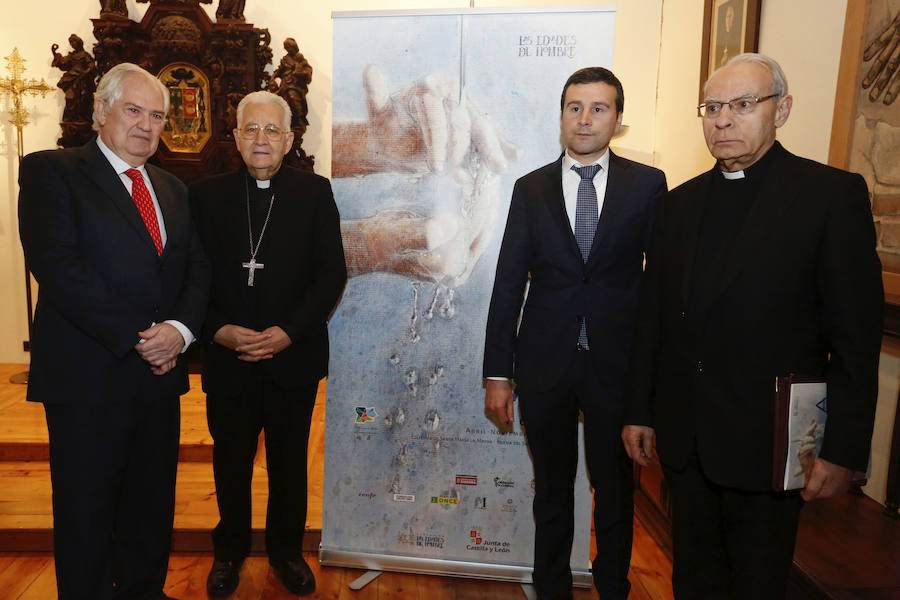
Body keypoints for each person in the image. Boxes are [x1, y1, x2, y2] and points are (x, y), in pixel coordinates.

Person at [622, 53, 883, 599]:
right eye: (713, 107)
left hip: (768, 446)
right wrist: (640, 412)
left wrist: (842, 451)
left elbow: (856, 340)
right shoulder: (677, 205)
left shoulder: (829, 197)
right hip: (687, 441)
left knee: (757, 586)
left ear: (780, 110)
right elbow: (654, 320)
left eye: (743, 105)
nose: (723, 120)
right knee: (692, 579)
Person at [17, 62, 210, 600]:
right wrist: (140, 337)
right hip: (88, 377)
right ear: (101, 111)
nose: (147, 125)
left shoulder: (173, 188)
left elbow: (196, 269)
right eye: (134, 110)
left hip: (158, 376)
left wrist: (179, 330)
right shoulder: (52, 171)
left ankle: (145, 591)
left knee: (150, 504)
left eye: (157, 115)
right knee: (85, 509)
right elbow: (57, 265)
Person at [483, 67, 667, 600]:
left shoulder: (647, 185)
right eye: (575, 107)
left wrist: (653, 378)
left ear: (618, 119)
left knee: (614, 490)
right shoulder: (531, 188)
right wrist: (499, 372)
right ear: (561, 114)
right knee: (553, 493)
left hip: (618, 367)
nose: (585, 119)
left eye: (599, 108)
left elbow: (659, 287)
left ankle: (613, 586)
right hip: (545, 366)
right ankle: (552, 589)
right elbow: (508, 282)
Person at [190, 90, 346, 597]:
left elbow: (330, 275)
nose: (261, 139)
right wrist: (218, 329)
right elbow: (189, 277)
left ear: (290, 139)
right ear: (235, 136)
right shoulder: (205, 196)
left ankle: (285, 551)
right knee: (230, 463)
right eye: (251, 129)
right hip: (227, 356)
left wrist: (287, 333)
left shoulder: (314, 192)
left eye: (272, 130)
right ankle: (229, 552)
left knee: (289, 462)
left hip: (291, 358)